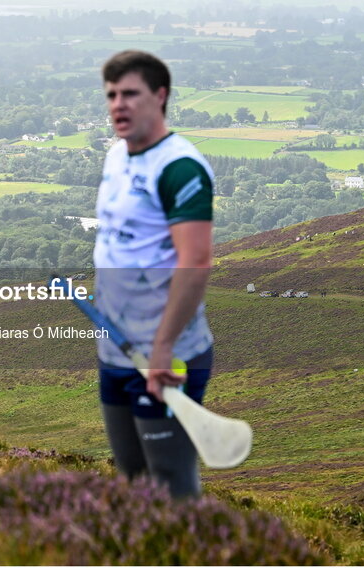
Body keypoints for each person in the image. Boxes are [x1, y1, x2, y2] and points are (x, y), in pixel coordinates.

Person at [93, 50, 215, 498]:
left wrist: (162, 347)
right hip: (116, 349)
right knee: (132, 479)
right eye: (111, 95)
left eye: (130, 94)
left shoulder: (180, 167)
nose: (117, 105)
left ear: (159, 96)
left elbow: (195, 261)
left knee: (171, 485)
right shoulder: (115, 158)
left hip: (169, 357)